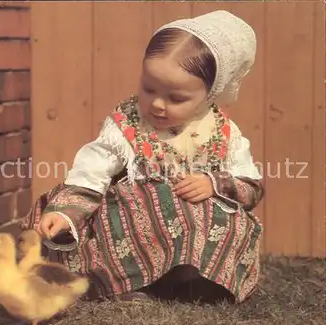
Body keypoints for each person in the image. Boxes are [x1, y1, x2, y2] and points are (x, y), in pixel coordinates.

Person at [20, 10, 264, 304]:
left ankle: (196, 282)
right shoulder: (127, 124)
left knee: (230, 218)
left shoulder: (224, 133)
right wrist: (65, 213)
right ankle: (133, 283)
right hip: (139, 232)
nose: (158, 105)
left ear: (209, 94)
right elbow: (90, 174)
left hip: (195, 233)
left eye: (176, 98)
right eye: (149, 89)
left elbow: (251, 186)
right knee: (150, 197)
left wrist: (214, 184)